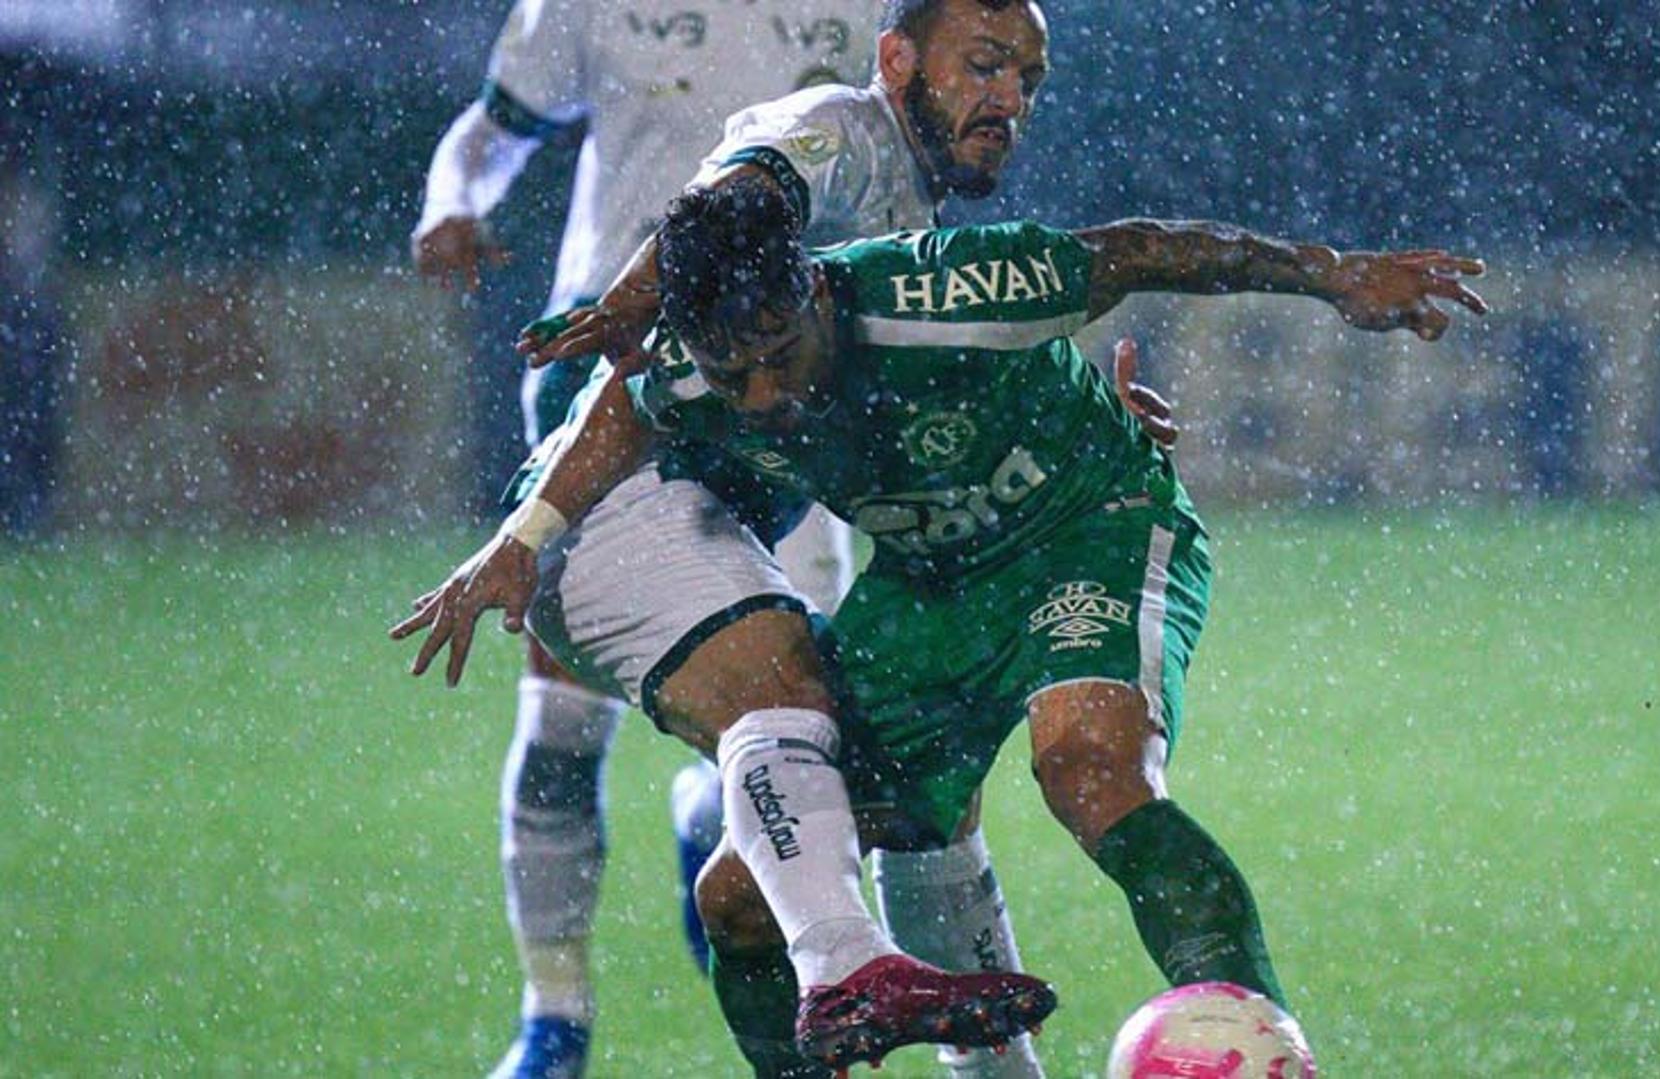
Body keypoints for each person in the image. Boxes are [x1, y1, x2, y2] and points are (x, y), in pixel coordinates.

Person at [403, 183, 1487, 1076]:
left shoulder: (944, 285)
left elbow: (1136, 248)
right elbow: (624, 411)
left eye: (782, 348)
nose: (768, 390)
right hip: (927, 585)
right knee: (737, 897)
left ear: (818, 288)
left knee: (1088, 767)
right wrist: (525, 538)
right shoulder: (704, 361)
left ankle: (1259, 1031)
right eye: (737, 372)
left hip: (1085, 526)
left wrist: (1331, 273)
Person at [402, 3, 1129, 1075]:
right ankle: (553, 1017)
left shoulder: (883, 22)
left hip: (797, 413)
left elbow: (904, 237)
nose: (1010, 94)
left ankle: (762, 874)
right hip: (619, 379)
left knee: (846, 740)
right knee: (579, 722)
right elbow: (497, 127)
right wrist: (451, 201)